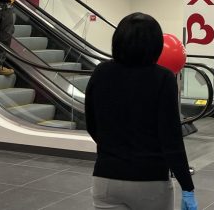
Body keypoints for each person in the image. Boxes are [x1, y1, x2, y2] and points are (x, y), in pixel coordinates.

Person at [85, 12, 198, 210]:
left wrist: (114, 148)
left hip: (106, 177)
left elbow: (91, 124)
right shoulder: (163, 78)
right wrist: (187, 186)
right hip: (150, 180)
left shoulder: (101, 72)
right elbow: (170, 138)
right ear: (155, 45)